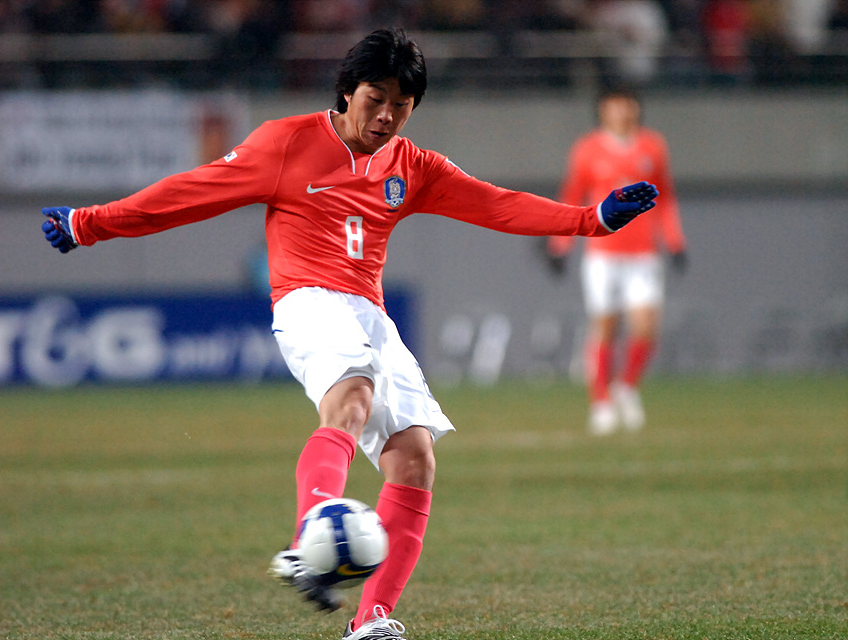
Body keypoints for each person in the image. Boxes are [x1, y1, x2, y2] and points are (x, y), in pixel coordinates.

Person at [41, 29, 658, 640]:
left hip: (369, 312)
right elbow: (190, 193)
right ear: (346, 91)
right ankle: (310, 539)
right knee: (353, 396)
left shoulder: (412, 166)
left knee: (415, 458)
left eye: (401, 105)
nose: (386, 115)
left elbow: (496, 203)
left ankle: (370, 621)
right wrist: (90, 223)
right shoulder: (286, 142)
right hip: (306, 300)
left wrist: (592, 219)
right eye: (375, 98)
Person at [544, 87, 686, 436]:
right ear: (603, 110)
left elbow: (665, 197)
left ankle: (627, 386)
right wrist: (560, 244)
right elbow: (572, 196)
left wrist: (675, 241)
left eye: (627, 105)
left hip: (643, 253)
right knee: (605, 326)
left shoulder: (652, 146)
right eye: (615, 105)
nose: (622, 112)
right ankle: (601, 402)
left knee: (645, 325)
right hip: (603, 253)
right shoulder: (587, 149)